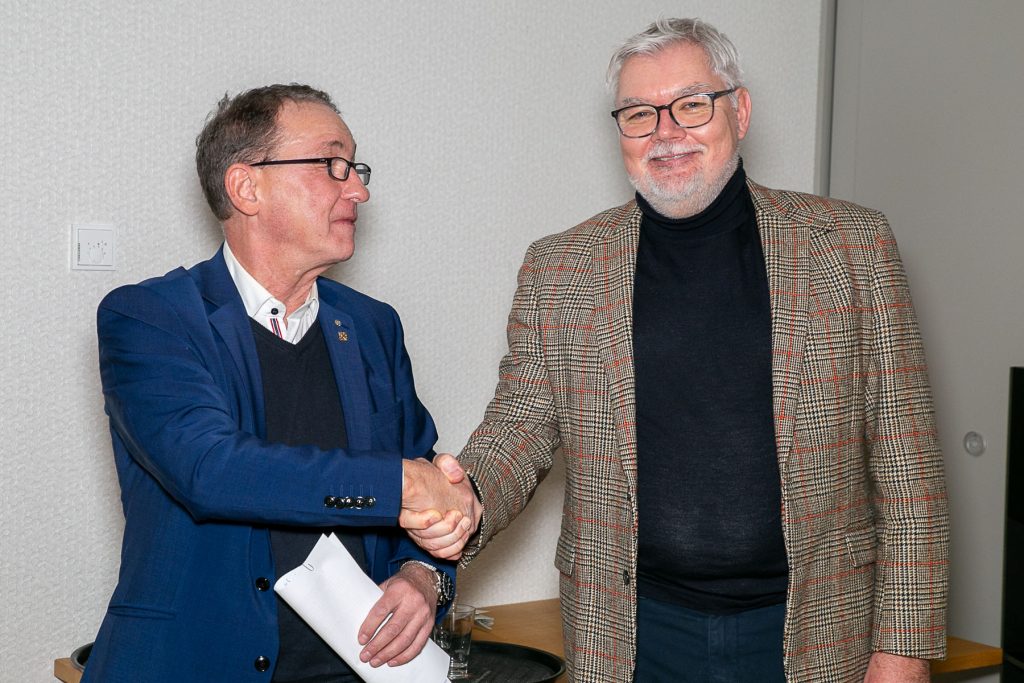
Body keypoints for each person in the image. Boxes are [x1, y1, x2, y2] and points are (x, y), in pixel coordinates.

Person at [410, 18, 949, 683]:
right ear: (620, 133)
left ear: (740, 111)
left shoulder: (852, 247)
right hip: (632, 638)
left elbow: (909, 470)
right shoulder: (561, 269)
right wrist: (463, 498)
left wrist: (903, 648)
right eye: (640, 113)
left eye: (691, 104)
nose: (666, 132)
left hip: (817, 633)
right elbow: (519, 428)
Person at [84, 84, 477, 682]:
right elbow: (212, 469)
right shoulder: (150, 318)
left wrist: (423, 576)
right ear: (247, 187)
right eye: (332, 165)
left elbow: (424, 484)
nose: (359, 189)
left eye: (357, 167)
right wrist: (401, 486)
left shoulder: (373, 326)